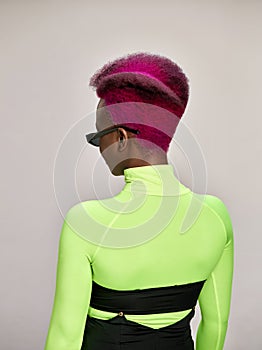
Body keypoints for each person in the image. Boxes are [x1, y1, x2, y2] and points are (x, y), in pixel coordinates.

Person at [44, 52, 234, 350]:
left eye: (98, 138)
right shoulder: (215, 215)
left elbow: (65, 337)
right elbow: (216, 324)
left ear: (120, 138)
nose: (99, 148)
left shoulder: (86, 221)